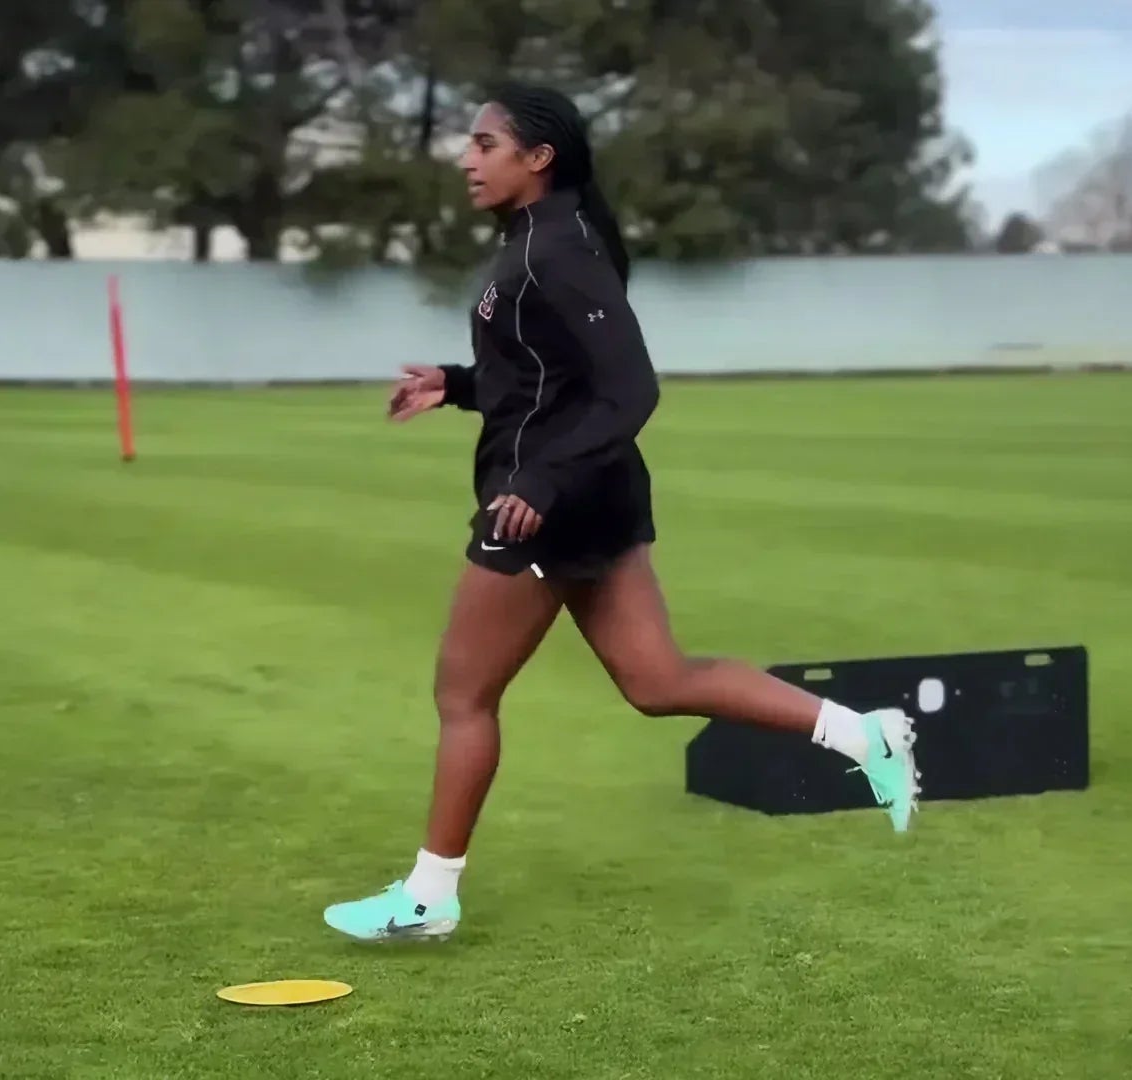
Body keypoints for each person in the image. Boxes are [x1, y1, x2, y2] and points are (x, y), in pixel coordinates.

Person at [322, 82, 920, 943]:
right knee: (658, 682)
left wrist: (542, 485)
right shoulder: (537, 246)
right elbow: (539, 378)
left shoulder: (556, 252)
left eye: (486, 144)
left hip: (546, 508)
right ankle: (865, 737)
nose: (467, 158)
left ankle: (428, 896)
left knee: (463, 696)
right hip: (585, 496)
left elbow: (630, 388)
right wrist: (453, 385)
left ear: (539, 158)